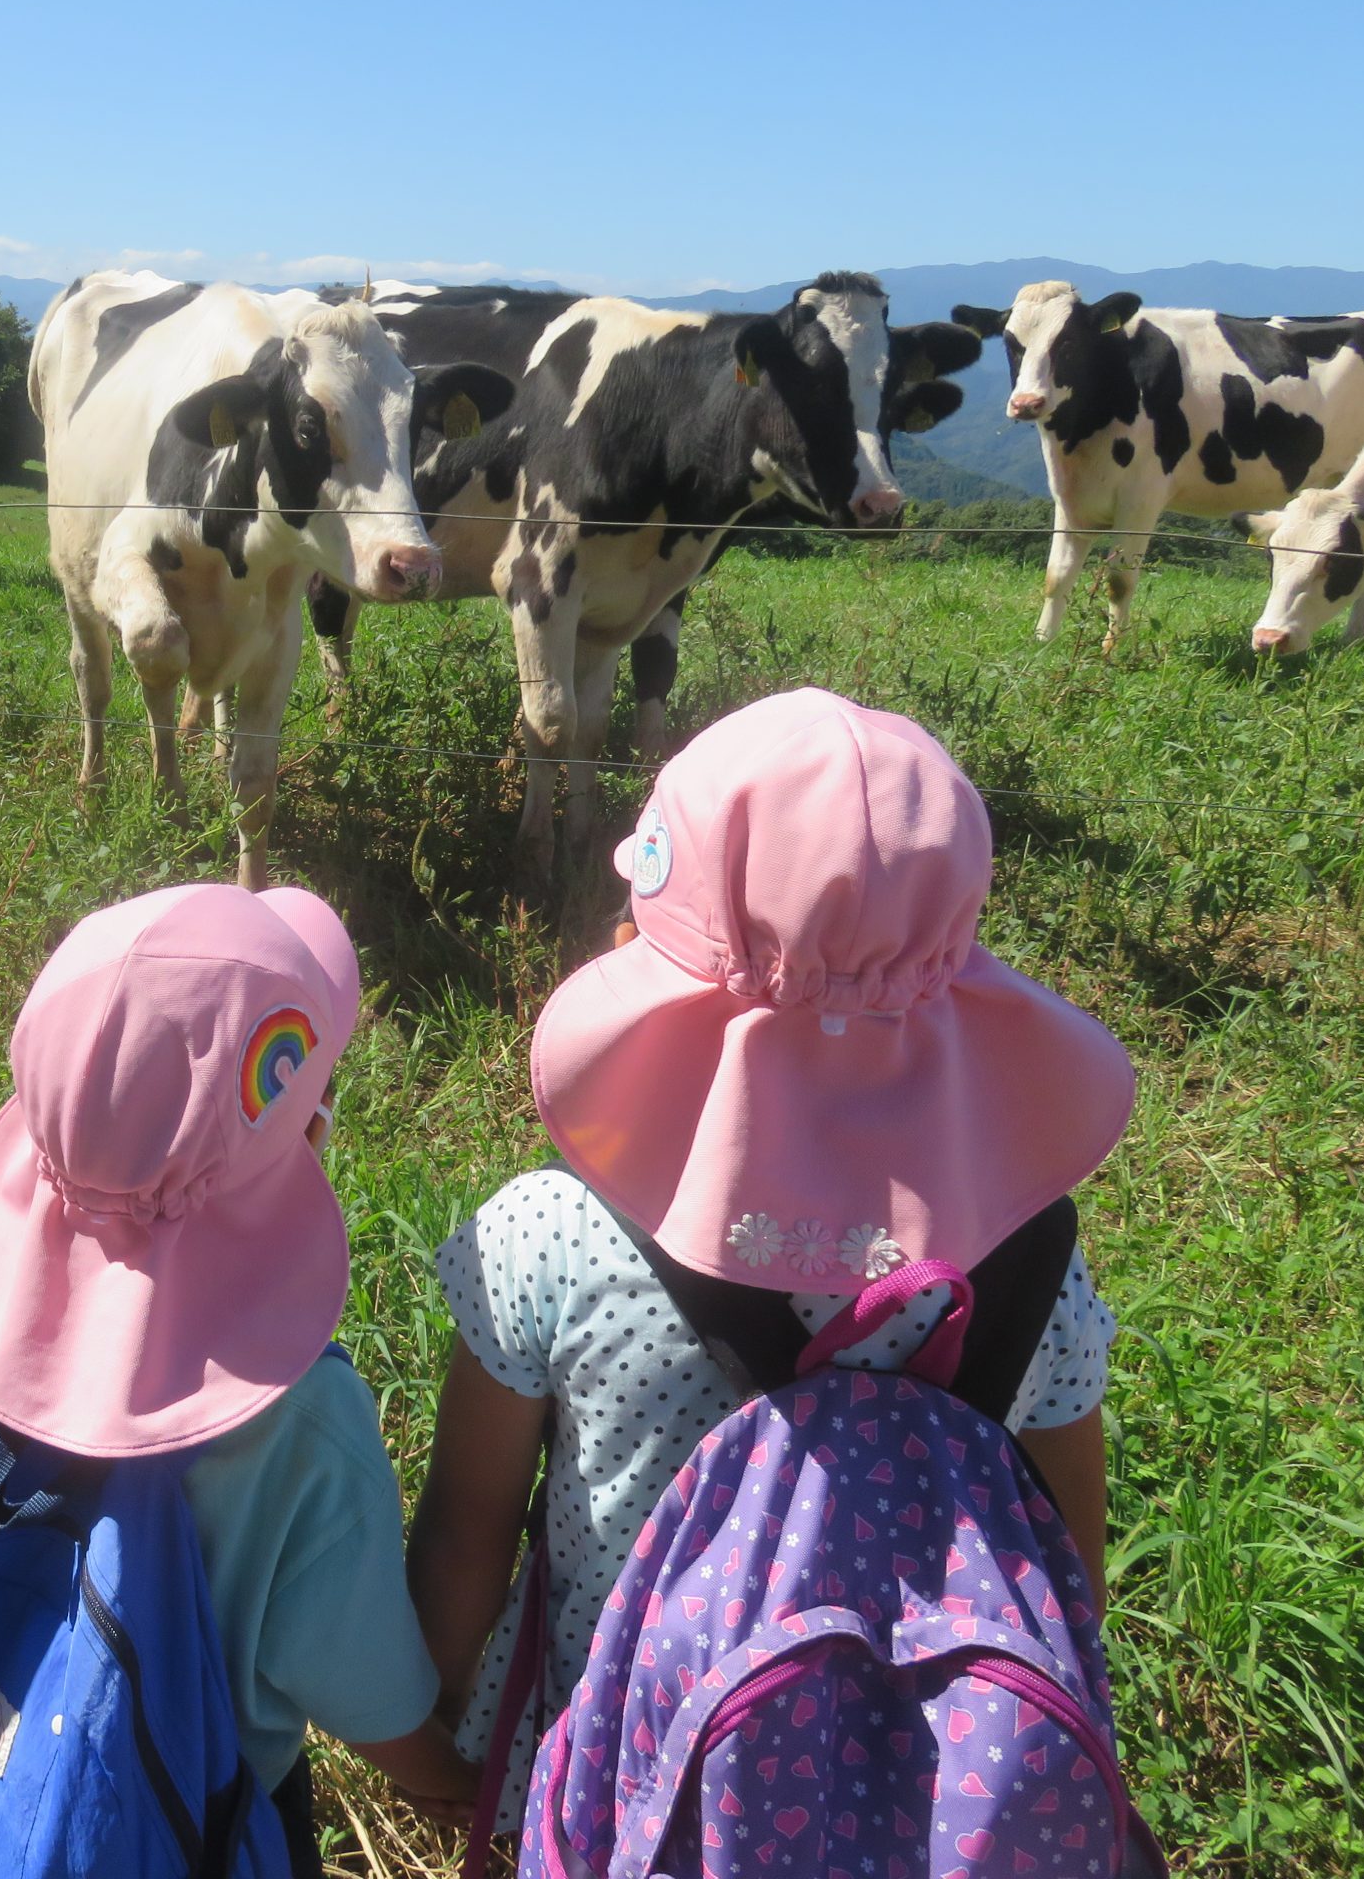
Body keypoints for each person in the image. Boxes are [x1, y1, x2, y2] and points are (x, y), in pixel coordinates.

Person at [406, 686, 1137, 1832]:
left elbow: (465, 1533)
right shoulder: (1027, 1252)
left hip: (621, 1774)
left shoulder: (550, 1228)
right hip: (916, 1800)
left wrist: (431, 1738)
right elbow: (1065, 1560)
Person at [0, 882, 479, 1877]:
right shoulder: (307, 1422)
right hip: (195, 1822)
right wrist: (447, 1775)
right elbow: (368, 1696)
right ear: (311, 1137)